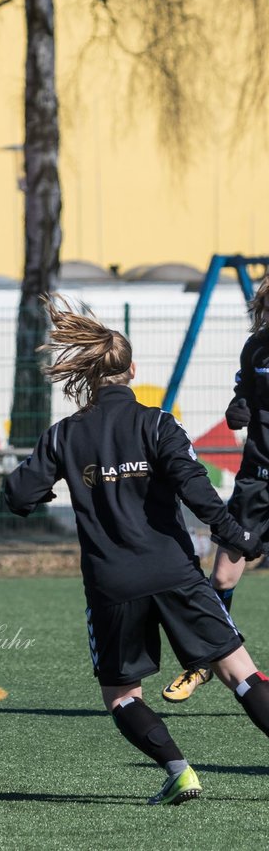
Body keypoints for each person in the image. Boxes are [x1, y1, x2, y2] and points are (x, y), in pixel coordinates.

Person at [3, 296, 269, 806]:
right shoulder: (158, 424)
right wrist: (237, 537)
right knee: (242, 674)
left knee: (122, 695)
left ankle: (179, 772)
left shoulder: (63, 435)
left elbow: (18, 496)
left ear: (87, 374)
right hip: (176, 572)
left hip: (113, 584)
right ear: (132, 371)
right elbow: (196, 488)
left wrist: (49, 489)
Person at [162, 275, 269, 703]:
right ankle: (203, 661)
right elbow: (243, 392)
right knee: (223, 574)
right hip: (256, 482)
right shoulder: (256, 347)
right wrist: (238, 408)